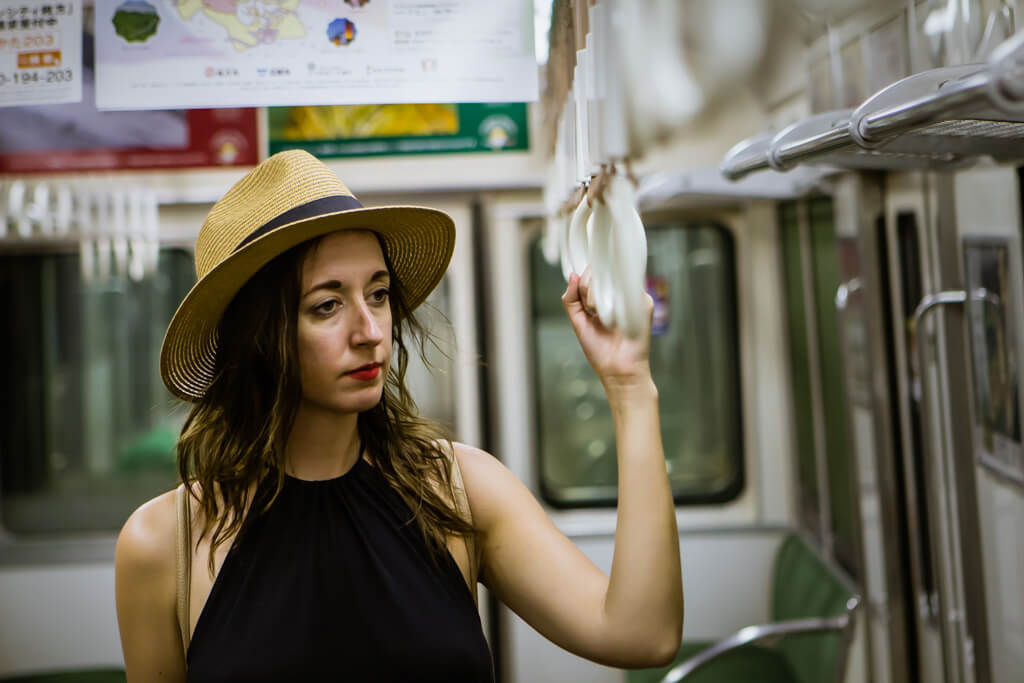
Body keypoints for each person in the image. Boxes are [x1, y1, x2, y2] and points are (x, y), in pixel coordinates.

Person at [114, 149, 683, 682]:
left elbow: (640, 635)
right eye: (327, 305)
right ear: (256, 338)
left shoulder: (456, 489)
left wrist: (631, 388)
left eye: (379, 294)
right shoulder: (164, 543)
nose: (370, 332)